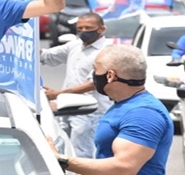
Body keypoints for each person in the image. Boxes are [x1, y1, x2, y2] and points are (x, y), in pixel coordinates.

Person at [50, 44, 173, 175]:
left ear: (110, 75)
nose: (93, 75)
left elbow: (123, 167)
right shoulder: (124, 104)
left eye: (95, 69)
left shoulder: (144, 113)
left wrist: (60, 160)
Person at [40, 13, 113, 159]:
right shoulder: (75, 45)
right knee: (63, 150)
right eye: (80, 28)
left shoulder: (106, 51)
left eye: (88, 28)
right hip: (67, 108)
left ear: (101, 29)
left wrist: (59, 93)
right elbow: (47, 56)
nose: (83, 31)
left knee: (81, 153)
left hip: (89, 111)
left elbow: (95, 83)